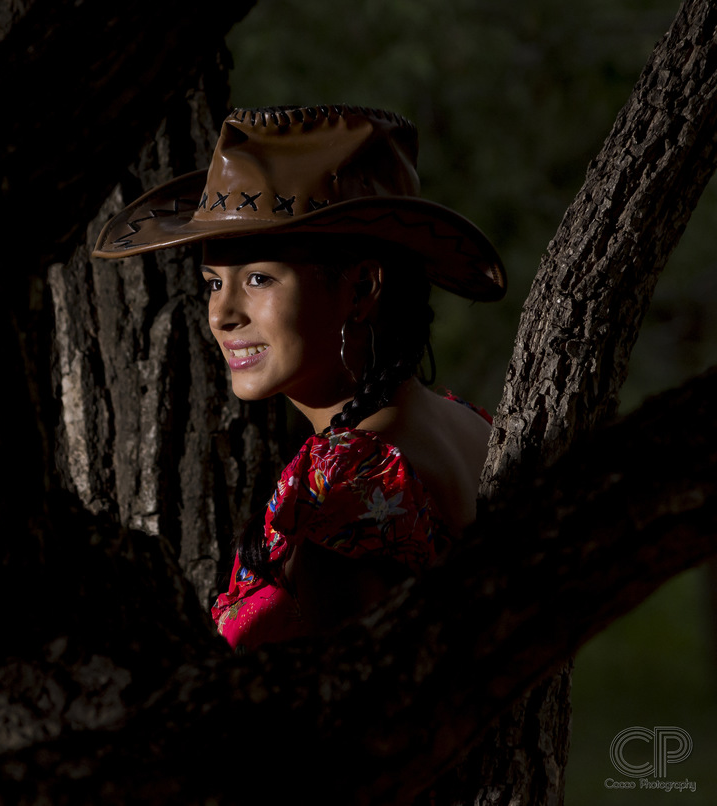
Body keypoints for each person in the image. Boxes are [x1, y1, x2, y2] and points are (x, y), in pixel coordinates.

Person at [91, 105, 506, 650]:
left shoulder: (348, 490)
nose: (221, 315)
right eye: (214, 283)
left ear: (361, 288)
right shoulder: (473, 427)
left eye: (259, 278)